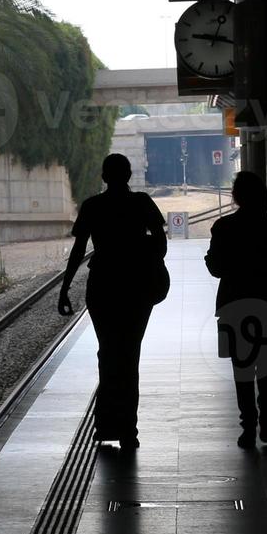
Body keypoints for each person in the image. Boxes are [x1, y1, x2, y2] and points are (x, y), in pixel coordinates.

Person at [58, 154, 167, 448]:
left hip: (103, 285)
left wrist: (65, 288)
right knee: (130, 355)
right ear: (129, 175)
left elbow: (79, 249)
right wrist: (153, 266)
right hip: (136, 286)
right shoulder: (142, 202)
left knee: (108, 354)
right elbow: (160, 239)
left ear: (104, 177)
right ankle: (129, 431)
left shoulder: (93, 206)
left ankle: (106, 426)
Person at [203, 170, 267, 449]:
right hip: (266, 303)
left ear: (236, 197)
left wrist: (212, 259)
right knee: (266, 361)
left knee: (242, 367)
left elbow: (216, 268)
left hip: (234, 304)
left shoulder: (223, 227)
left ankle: (248, 425)